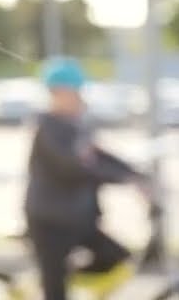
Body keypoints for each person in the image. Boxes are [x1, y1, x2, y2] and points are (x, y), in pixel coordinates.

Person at [23, 57, 146, 300]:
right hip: (50, 221)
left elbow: (98, 155)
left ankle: (65, 282)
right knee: (55, 290)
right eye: (72, 91)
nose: (78, 97)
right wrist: (121, 179)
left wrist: (135, 174)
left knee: (116, 256)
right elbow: (73, 168)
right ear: (55, 93)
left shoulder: (77, 124)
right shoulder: (48, 127)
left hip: (79, 218)